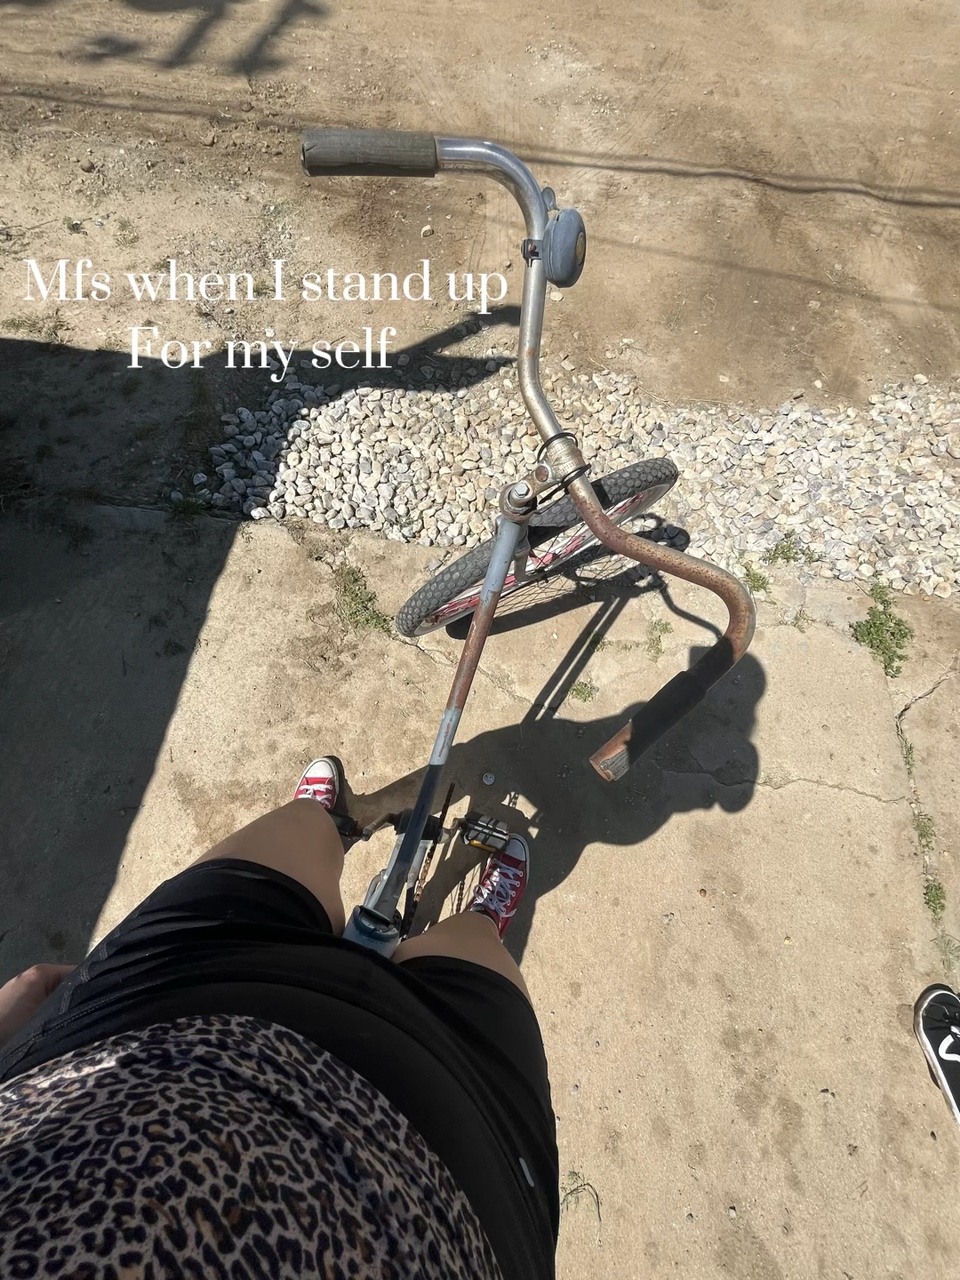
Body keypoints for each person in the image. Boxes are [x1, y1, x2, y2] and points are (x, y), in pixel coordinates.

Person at [0, 758, 559, 1280]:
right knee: (470, 957)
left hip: (146, 1023)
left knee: (299, 837)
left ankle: (324, 819)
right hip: (443, 1197)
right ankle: (480, 918)